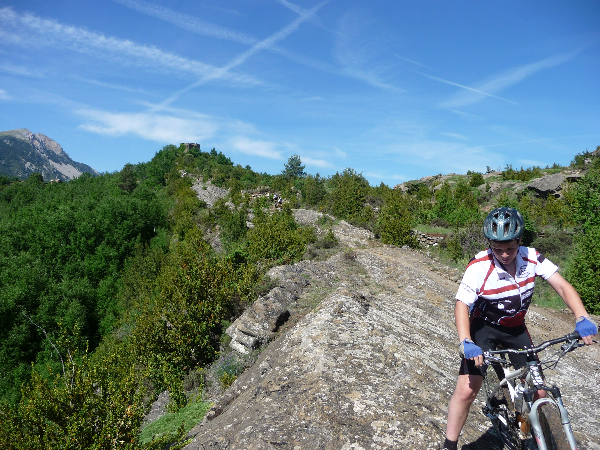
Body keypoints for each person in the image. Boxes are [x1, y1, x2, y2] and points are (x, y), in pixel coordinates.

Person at [440, 207, 598, 450]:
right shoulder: (479, 266)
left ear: (520, 241)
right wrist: (465, 340)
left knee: (539, 392)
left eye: (510, 248)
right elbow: (462, 304)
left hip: (515, 328)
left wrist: (581, 316)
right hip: (483, 328)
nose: (504, 254)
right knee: (467, 389)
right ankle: (449, 445)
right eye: (497, 249)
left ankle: (528, 431)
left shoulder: (532, 257)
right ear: (490, 244)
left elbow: (562, 286)